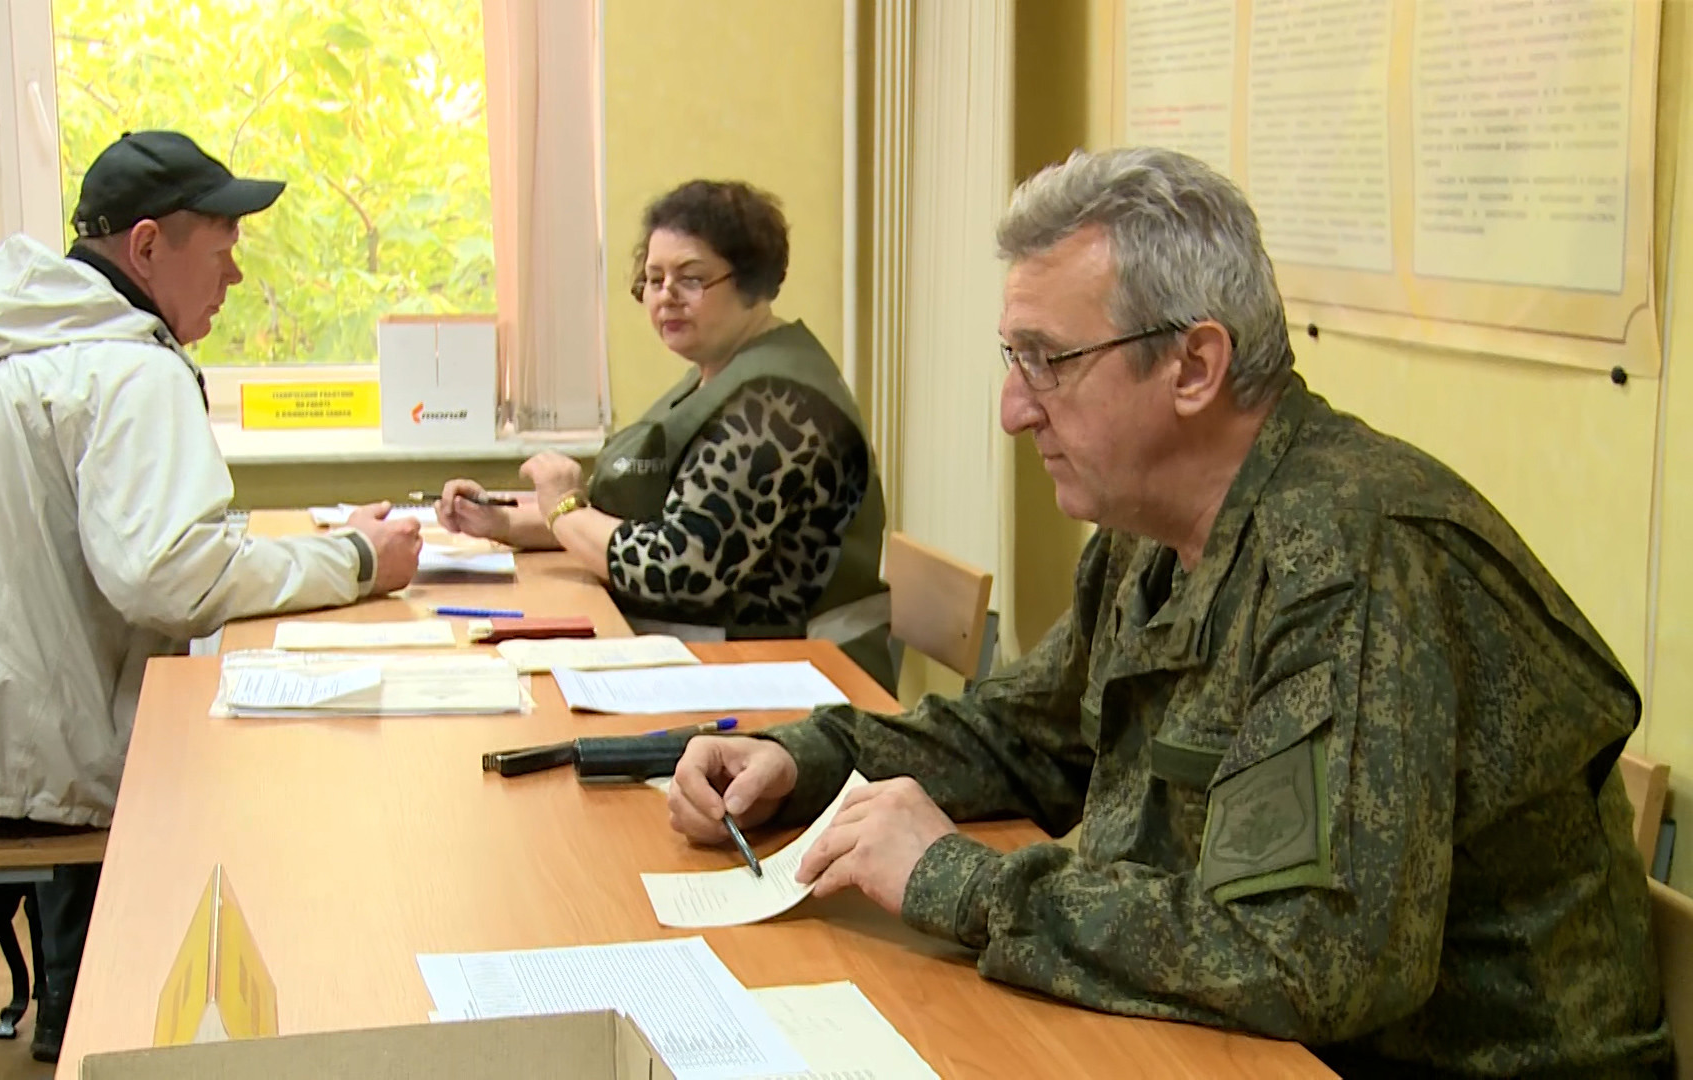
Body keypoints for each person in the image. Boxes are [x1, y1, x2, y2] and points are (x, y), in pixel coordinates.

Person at [665, 147, 1671, 1077]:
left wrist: (960, 882)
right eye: (1014, 359)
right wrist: (810, 758)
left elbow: (1310, 959)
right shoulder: (1154, 527)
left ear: (1193, 366)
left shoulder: (1351, 564)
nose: (1015, 409)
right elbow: (1030, 734)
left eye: (1048, 362)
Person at [0, 130, 424, 1062]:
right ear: (145, 248)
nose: (236, 279)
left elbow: (130, 549)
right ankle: (123, 1029)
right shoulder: (130, 366)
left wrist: (321, 547)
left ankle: (72, 1004)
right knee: (223, 776)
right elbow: (166, 576)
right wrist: (359, 564)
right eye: (222, 250)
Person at [437, 180, 894, 688]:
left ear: (752, 282)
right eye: (654, 279)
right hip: (735, 661)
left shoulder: (778, 406)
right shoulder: (719, 373)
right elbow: (639, 517)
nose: (666, 297)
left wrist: (564, 510)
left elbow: (676, 567)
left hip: (795, 681)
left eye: (691, 279)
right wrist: (503, 520)